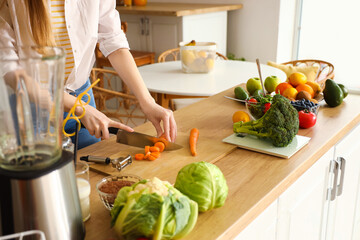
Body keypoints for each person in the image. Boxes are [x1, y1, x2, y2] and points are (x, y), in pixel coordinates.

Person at [0, 0, 177, 149]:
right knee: (44, 185)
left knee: (90, 175)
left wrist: (147, 102)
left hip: (81, 96)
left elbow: (113, 41)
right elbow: (11, 71)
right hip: (31, 108)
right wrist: (79, 108)